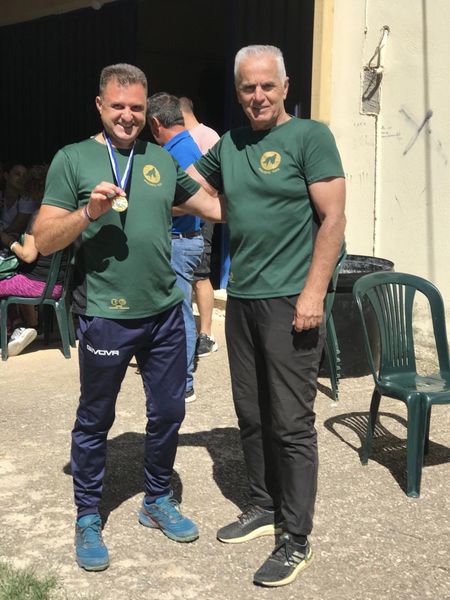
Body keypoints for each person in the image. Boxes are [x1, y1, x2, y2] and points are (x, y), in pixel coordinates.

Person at [33, 63, 223, 572]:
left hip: (165, 313)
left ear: (147, 110)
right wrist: (88, 213)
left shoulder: (160, 158)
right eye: (117, 106)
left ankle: (156, 499)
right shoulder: (73, 159)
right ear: (100, 105)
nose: (127, 116)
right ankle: (87, 515)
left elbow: (213, 207)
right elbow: (43, 240)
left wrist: (275, 193)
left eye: (136, 108)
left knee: (169, 412)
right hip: (106, 315)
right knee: (96, 418)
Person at [186, 45, 346, 587]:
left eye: (267, 86)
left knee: (291, 423)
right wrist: (145, 180)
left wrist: (313, 293)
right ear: (238, 93)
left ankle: (296, 538)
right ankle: (262, 504)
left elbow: (333, 219)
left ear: (285, 86)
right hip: (244, 297)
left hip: (291, 299)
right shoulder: (230, 144)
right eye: (248, 88)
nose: (258, 96)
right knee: (251, 412)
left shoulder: (310, 137)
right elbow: (193, 190)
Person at [147, 92, 203, 402]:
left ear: (156, 122)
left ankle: (184, 384)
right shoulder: (182, 147)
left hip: (180, 243)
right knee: (173, 312)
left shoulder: (179, 151)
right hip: (180, 242)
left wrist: (149, 206)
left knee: (180, 313)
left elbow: (195, 200)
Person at [179, 96, 220, 358]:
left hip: (201, 217)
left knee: (201, 275)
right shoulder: (181, 138)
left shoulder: (207, 136)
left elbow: (214, 183)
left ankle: (206, 334)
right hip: (183, 216)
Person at [0, 211, 65, 356]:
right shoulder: (65, 219)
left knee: (3, 284)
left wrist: (9, 241)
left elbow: (28, 256)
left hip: (36, 285)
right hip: (57, 284)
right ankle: (17, 325)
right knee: (7, 285)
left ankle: (11, 333)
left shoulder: (38, 218)